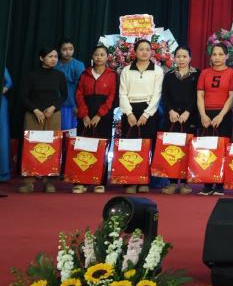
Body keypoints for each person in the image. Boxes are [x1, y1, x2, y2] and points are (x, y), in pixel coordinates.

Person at [18, 46, 67, 193]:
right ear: (41, 58)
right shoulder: (31, 75)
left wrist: (53, 107)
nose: (53, 59)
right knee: (32, 147)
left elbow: (64, 96)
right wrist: (35, 110)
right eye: (50, 56)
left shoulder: (59, 75)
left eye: (55, 57)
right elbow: (23, 96)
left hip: (53, 115)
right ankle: (29, 182)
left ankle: (49, 182)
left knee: (52, 147)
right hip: (34, 115)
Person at [118, 39, 165, 195]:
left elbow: (157, 94)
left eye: (147, 49)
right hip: (130, 111)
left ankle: (144, 181)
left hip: (149, 111)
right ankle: (130, 181)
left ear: (151, 52)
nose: (144, 52)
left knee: (147, 147)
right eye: (141, 49)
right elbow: (122, 94)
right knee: (130, 147)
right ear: (135, 52)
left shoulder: (157, 70)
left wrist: (146, 114)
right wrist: (129, 113)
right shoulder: (126, 70)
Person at [73, 44, 117, 194]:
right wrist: (84, 115)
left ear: (107, 57)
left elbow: (112, 96)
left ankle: (100, 181)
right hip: (85, 115)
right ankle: (81, 181)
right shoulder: (84, 74)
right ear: (92, 56)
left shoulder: (112, 75)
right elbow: (79, 94)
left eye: (102, 54)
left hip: (103, 117)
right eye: (96, 54)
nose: (99, 57)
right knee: (84, 147)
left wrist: (99, 114)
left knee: (102, 148)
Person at [196, 43, 233, 195]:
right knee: (206, 149)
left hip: (224, 115)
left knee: (222, 150)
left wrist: (221, 115)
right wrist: (203, 115)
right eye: (214, 54)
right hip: (206, 114)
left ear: (227, 56)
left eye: (221, 54)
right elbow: (200, 95)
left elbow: (232, 96)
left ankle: (220, 184)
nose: (217, 57)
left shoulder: (232, 73)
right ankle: (207, 183)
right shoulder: (204, 73)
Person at [160, 45, 199, 195]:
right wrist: (170, 110)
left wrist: (188, 112)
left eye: (184, 56)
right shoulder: (169, 75)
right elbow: (165, 95)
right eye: (178, 56)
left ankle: (184, 183)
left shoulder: (197, 74)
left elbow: (197, 96)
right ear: (174, 58)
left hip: (190, 117)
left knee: (188, 149)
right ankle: (171, 182)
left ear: (190, 58)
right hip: (172, 117)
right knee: (172, 149)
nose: (181, 59)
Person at [56, 38, 85, 131]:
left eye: (70, 49)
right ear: (59, 51)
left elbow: (82, 88)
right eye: (64, 49)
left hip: (71, 105)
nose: (68, 52)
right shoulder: (54, 64)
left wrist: (77, 106)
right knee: (54, 133)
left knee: (68, 133)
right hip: (54, 104)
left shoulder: (78, 65)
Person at [1, 67, 12, 187]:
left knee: (2, 135)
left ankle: (2, 172)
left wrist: (3, 90)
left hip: (1, 103)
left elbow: (9, 82)